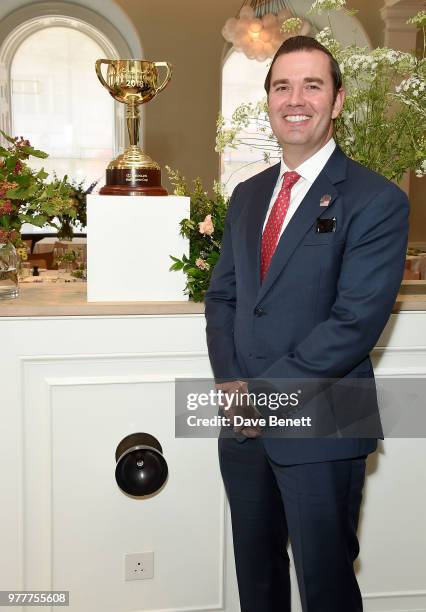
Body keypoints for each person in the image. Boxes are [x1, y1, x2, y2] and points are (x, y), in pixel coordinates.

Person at [204, 36, 409, 612]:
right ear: (269, 99)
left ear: (338, 100)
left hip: (326, 421)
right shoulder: (246, 195)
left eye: (312, 85)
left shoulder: (377, 200)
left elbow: (354, 324)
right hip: (241, 423)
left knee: (326, 587)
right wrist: (228, 382)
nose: (296, 99)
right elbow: (223, 297)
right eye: (282, 86)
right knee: (258, 580)